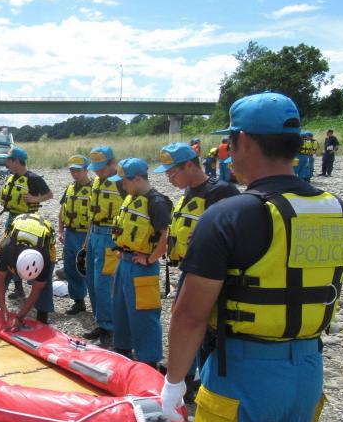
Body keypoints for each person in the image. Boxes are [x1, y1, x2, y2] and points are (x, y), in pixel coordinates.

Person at [162, 93, 343, 422]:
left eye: (229, 140)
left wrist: (173, 384)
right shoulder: (337, 208)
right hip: (308, 367)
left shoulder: (229, 214)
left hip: (243, 372)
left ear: (241, 141)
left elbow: (189, 314)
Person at [156, 142, 239, 395]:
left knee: (202, 326)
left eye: (172, 173)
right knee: (183, 321)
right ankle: (186, 374)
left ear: (190, 165)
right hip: (190, 270)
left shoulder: (221, 192)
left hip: (211, 275)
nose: (170, 179)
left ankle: (204, 380)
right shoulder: (190, 193)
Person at [109, 158, 171, 367]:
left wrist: (150, 258)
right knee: (121, 309)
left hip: (143, 268)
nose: (122, 186)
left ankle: (149, 361)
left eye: (124, 181)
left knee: (144, 316)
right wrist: (121, 250)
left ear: (137, 179)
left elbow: (166, 237)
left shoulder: (157, 202)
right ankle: (123, 352)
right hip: (125, 263)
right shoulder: (131, 197)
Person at [0, 146, 52, 304]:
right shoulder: (12, 176)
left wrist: (35, 199)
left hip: (28, 221)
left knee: (25, 252)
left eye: (9, 160)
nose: (7, 163)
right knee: (9, 253)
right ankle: (18, 288)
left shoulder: (34, 178)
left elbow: (49, 194)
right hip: (12, 218)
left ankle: (33, 289)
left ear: (16, 161)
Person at [83, 145, 125, 348]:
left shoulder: (122, 183)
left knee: (104, 284)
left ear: (112, 163)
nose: (97, 172)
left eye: (101, 167)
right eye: (95, 168)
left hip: (111, 237)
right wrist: (87, 238)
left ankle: (110, 328)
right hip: (95, 235)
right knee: (91, 281)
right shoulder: (97, 182)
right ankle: (101, 322)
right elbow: (93, 212)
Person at [0, 213, 55, 326]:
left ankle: (42, 317)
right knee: (1, 277)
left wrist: (20, 317)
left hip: (43, 236)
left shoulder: (45, 259)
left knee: (45, 287)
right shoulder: (6, 250)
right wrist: (3, 309)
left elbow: (36, 290)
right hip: (19, 228)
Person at [57, 154, 91, 315]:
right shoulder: (70, 188)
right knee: (70, 267)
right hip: (70, 233)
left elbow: (95, 217)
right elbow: (62, 210)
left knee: (87, 268)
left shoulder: (93, 189)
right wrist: (60, 230)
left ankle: (98, 305)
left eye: (78, 170)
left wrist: (88, 238)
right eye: (72, 170)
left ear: (86, 169)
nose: (75, 174)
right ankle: (79, 301)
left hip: (85, 233)